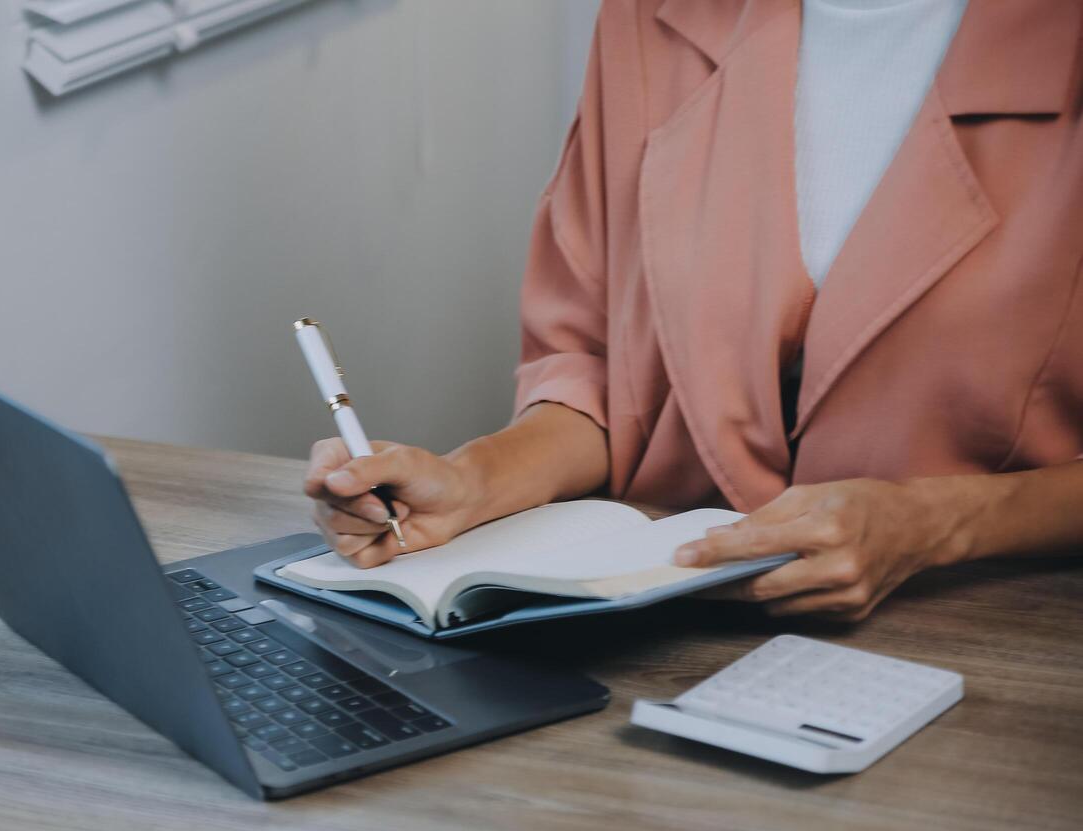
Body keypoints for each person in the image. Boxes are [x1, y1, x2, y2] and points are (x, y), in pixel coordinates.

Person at [303, 0, 1083, 622]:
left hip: (995, 638)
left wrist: (935, 523)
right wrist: (473, 480)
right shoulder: (647, 17)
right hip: (661, 624)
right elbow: (608, 376)